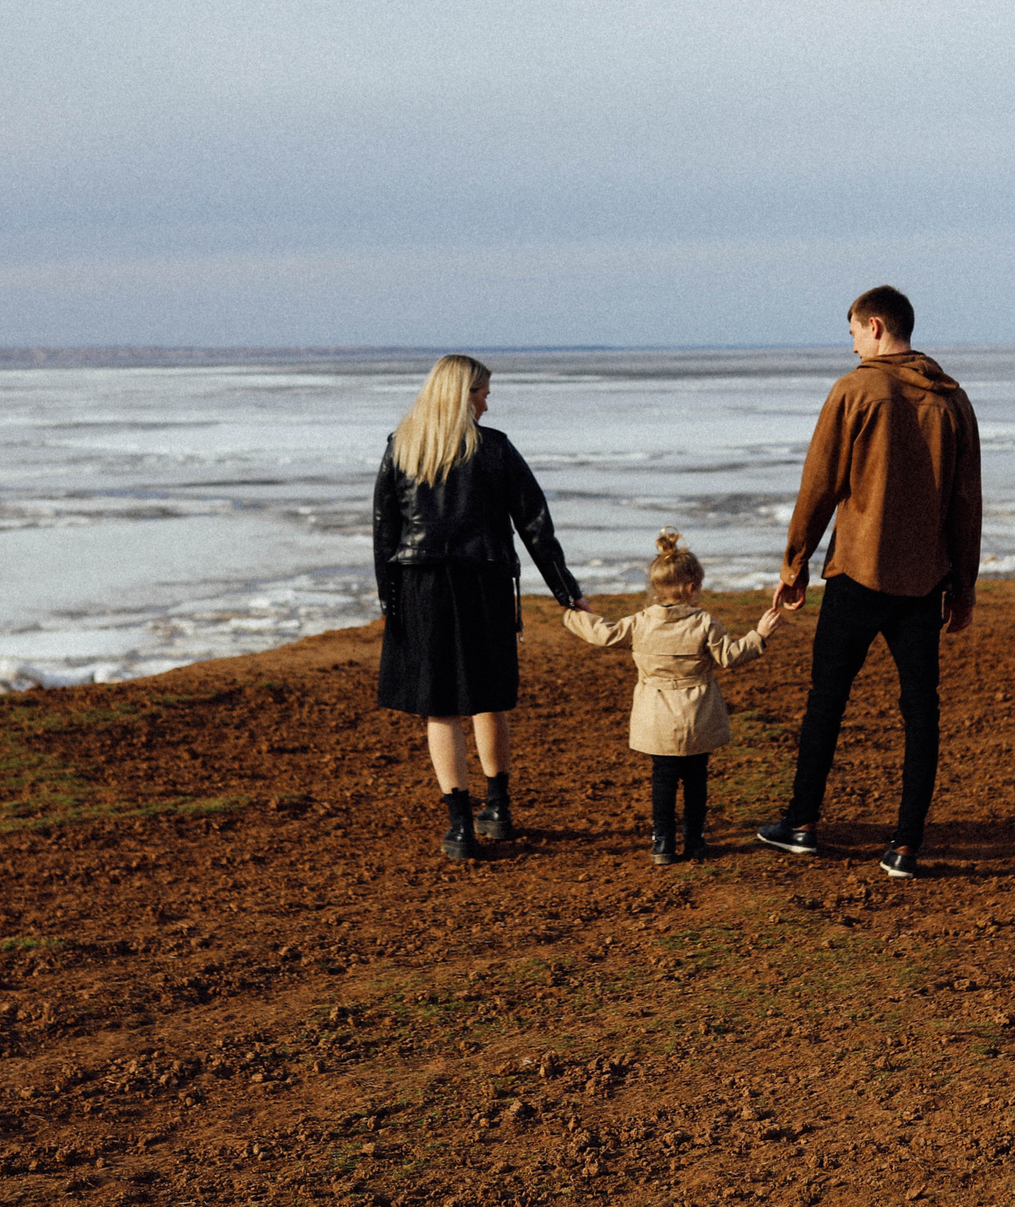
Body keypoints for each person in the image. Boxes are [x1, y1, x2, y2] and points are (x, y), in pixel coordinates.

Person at [756, 285, 982, 879]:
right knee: (921, 711)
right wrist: (964, 586)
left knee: (826, 699)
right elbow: (967, 504)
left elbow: (819, 483)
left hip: (857, 572)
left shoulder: (856, 389)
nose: (853, 344)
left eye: (854, 332)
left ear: (876, 326)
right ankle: (906, 846)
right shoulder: (952, 398)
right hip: (924, 580)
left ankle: (802, 824)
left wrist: (794, 564)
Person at [373, 354, 586, 861]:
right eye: (482, 394)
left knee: (441, 706)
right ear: (461, 394)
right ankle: (499, 808)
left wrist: (390, 603)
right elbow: (535, 523)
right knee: (488, 696)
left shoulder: (404, 446)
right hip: (485, 583)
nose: (487, 404)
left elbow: (385, 532)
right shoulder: (495, 449)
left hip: (421, 586)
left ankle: (460, 827)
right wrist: (565, 590)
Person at [560, 530, 785, 866]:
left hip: (656, 718)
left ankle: (663, 842)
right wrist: (760, 635)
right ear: (692, 588)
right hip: (698, 717)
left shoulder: (640, 623)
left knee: (663, 781)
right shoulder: (704, 623)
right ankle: (695, 841)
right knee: (696, 781)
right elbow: (730, 657)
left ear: (656, 587)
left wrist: (573, 613)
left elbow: (603, 633)